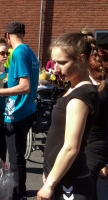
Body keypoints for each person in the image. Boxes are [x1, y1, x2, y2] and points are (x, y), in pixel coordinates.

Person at [0, 21, 39, 199]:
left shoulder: (19, 53)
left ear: (8, 36)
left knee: (15, 159)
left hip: (18, 111)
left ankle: (17, 194)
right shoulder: (29, 52)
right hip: (26, 109)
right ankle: (20, 192)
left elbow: (24, 86)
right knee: (17, 157)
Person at [37, 32, 100, 200]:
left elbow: (71, 147)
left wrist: (50, 183)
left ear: (81, 59)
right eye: (54, 62)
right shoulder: (73, 89)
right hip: (62, 177)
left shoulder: (81, 95)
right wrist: (50, 172)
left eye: (62, 62)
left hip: (72, 182)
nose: (56, 68)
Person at [82, 30, 108, 200]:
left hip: (93, 146)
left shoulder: (91, 93)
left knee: (87, 188)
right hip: (100, 144)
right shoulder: (100, 88)